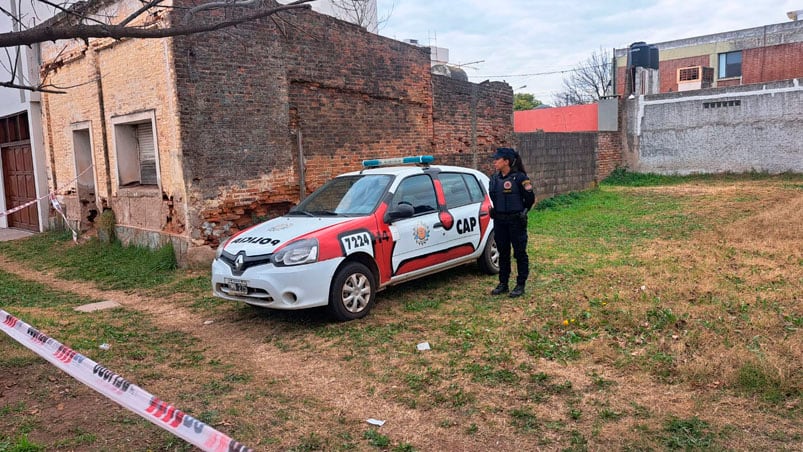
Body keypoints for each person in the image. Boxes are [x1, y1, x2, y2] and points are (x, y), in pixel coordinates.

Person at [488, 147, 535, 298]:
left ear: (506, 161)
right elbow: (493, 197)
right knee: (503, 252)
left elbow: (530, 199)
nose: (494, 162)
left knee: (519, 253)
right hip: (500, 222)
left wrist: (523, 213)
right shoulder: (494, 179)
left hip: (516, 221)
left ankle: (520, 284)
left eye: (497, 159)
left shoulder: (520, 178)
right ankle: (503, 283)